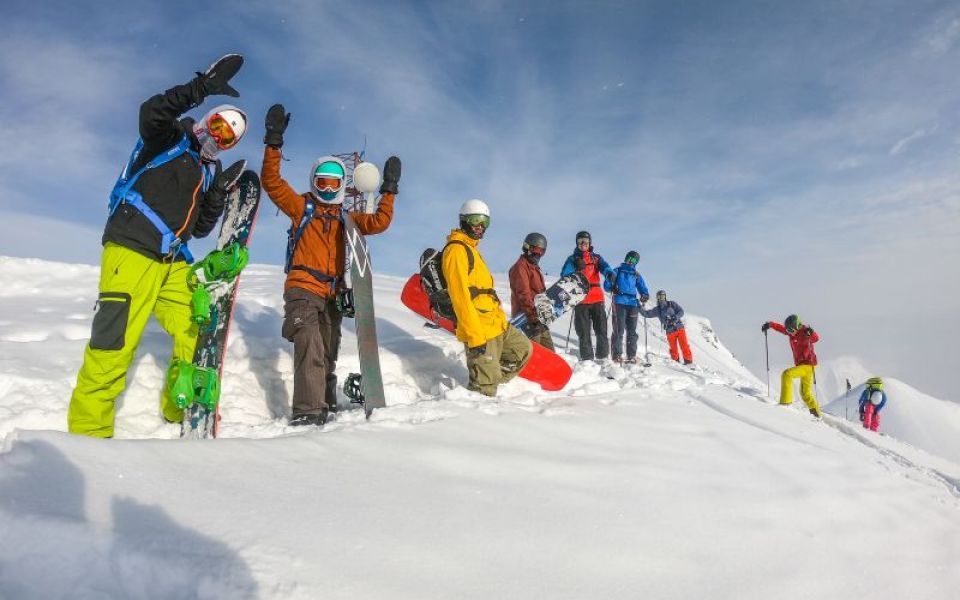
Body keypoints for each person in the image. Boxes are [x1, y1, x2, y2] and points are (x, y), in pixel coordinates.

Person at [68, 55, 249, 438]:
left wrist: (215, 193)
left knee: (195, 332)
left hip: (172, 263)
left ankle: (176, 408)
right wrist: (200, 88)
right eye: (217, 125)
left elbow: (199, 231)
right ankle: (87, 439)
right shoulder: (168, 139)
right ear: (206, 120)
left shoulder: (204, 171)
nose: (218, 137)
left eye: (228, 137)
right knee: (112, 349)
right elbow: (151, 111)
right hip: (132, 249)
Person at [262, 103, 399, 426]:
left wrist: (389, 190)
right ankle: (308, 410)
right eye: (321, 183)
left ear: (341, 187)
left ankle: (325, 404)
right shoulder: (300, 207)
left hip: (332, 292)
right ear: (314, 182)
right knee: (308, 342)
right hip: (302, 289)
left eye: (333, 184)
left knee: (327, 350)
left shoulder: (345, 218)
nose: (327, 189)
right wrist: (274, 142)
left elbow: (378, 222)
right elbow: (271, 181)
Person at [443, 200, 532, 396]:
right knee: (484, 391)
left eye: (485, 222)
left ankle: (489, 375)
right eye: (475, 220)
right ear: (464, 221)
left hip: (497, 323)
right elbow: (460, 298)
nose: (480, 227)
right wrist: (474, 337)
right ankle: (482, 385)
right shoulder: (456, 250)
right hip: (480, 329)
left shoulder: (472, 249)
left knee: (523, 349)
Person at [560, 231, 614, 362]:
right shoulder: (572, 259)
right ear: (577, 243)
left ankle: (603, 357)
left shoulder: (596, 258)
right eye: (580, 241)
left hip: (597, 298)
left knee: (601, 330)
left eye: (585, 241)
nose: (583, 244)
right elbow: (564, 274)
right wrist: (575, 269)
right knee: (583, 331)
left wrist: (609, 273)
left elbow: (605, 267)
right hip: (580, 299)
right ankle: (587, 359)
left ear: (590, 243)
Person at [761, 314, 822, 417]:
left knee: (787, 374)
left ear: (797, 326)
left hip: (808, 365)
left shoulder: (805, 332)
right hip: (802, 365)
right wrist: (770, 325)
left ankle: (785, 404)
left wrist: (811, 333)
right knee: (805, 393)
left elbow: (816, 338)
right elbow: (781, 328)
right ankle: (817, 415)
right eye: (788, 331)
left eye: (791, 330)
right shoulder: (791, 333)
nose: (790, 333)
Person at [508, 232, 554, 351]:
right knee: (535, 353)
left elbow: (539, 293)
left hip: (538, 318)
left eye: (542, 251)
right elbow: (524, 294)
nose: (538, 254)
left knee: (549, 352)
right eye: (536, 250)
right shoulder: (521, 267)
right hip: (527, 319)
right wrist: (533, 318)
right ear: (527, 247)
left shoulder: (534, 267)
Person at [603, 250, 649, 364]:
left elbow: (642, 287)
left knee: (632, 331)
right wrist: (611, 285)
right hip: (619, 302)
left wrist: (645, 295)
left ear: (636, 262)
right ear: (625, 258)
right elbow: (607, 285)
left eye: (634, 260)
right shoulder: (617, 270)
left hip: (633, 303)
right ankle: (617, 355)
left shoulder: (636, 274)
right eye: (629, 258)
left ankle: (631, 355)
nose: (630, 261)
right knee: (619, 330)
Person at [640, 290, 693, 365]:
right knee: (673, 349)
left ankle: (688, 362)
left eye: (663, 296)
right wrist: (638, 307)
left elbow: (681, 311)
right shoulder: (657, 310)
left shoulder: (672, 304)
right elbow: (647, 314)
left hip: (679, 328)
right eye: (660, 297)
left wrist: (676, 317)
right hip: (670, 331)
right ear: (657, 298)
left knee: (684, 345)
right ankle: (676, 363)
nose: (661, 298)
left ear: (665, 297)